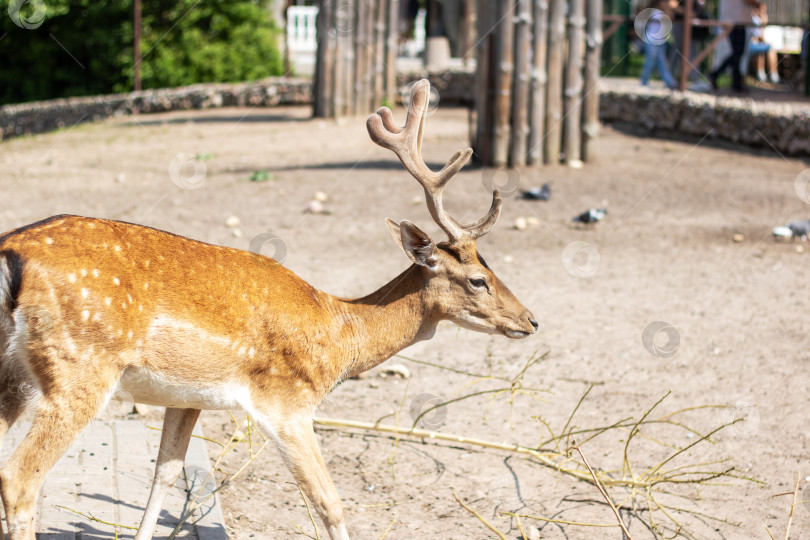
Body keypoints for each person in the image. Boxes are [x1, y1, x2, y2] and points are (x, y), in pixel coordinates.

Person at [709, 0, 760, 93]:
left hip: (733, 20)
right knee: (738, 53)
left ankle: (736, 83)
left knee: (737, 53)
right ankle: (716, 74)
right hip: (736, 22)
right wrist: (757, 4)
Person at [640, 0, 679, 89]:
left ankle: (670, 82)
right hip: (651, 41)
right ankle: (644, 82)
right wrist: (668, 8)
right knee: (650, 62)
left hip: (658, 42)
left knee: (662, 63)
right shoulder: (655, 12)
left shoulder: (660, 12)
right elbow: (669, 18)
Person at [747, 3, 780, 83]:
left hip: (752, 43)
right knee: (770, 49)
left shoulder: (755, 18)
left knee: (763, 50)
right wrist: (764, 22)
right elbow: (760, 36)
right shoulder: (755, 19)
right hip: (749, 44)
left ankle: (763, 74)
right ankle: (773, 74)